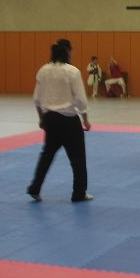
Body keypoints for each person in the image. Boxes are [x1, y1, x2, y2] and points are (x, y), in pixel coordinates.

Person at [27, 39, 92, 203]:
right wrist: (85, 119)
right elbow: (80, 99)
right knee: (77, 158)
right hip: (69, 120)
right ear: (68, 51)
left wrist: (41, 118)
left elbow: (36, 99)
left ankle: (35, 188)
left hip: (50, 119)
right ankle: (79, 193)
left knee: (47, 155)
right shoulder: (72, 72)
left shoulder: (43, 71)